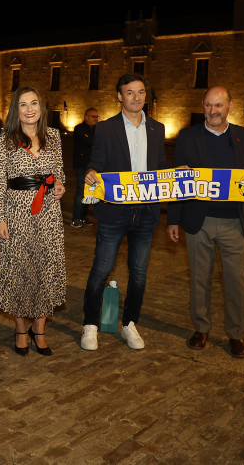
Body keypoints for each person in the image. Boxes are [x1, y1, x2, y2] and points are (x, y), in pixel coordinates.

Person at [167, 86, 244, 358]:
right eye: (208, 106)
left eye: (218, 106)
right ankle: (201, 329)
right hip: (198, 220)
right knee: (199, 279)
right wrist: (173, 219)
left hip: (232, 223)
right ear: (202, 106)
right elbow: (176, 182)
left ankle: (236, 335)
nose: (212, 111)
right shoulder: (187, 136)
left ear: (230, 105)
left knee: (235, 281)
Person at [79, 73, 167, 352]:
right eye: (130, 92)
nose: (136, 97)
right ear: (119, 96)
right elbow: (95, 163)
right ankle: (90, 325)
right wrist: (92, 173)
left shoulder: (158, 128)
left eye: (141, 92)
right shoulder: (105, 129)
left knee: (139, 272)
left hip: (146, 213)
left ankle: (130, 323)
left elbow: (161, 167)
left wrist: (176, 175)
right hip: (114, 212)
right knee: (101, 269)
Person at [0, 87, 67, 356]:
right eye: (23, 104)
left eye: (34, 103)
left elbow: (59, 173)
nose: (29, 109)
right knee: (20, 269)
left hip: (48, 212)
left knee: (45, 268)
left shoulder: (54, 137)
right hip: (17, 212)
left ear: (41, 107)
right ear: (16, 110)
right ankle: (21, 330)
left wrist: (60, 185)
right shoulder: (5, 140)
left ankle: (40, 330)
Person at [71, 107, 99, 227]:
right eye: (93, 116)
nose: (96, 119)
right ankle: (76, 218)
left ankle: (83, 216)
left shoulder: (97, 129)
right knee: (81, 191)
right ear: (86, 117)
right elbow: (90, 141)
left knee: (90, 191)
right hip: (82, 165)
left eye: (97, 117)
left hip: (93, 165)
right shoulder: (79, 128)